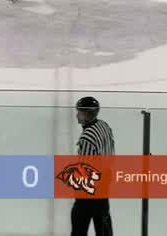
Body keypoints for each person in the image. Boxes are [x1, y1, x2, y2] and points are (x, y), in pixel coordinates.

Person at [71, 96, 115, 236]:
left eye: (79, 112)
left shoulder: (87, 137)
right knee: (103, 226)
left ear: (87, 114)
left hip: (90, 191)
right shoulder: (103, 125)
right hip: (104, 183)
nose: (77, 115)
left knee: (79, 226)